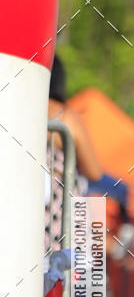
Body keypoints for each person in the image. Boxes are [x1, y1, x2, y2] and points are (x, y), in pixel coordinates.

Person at [46, 54, 103, 255]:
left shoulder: (16, 110)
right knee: (64, 272)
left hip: (23, 217)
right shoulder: (66, 117)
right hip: (60, 219)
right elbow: (94, 172)